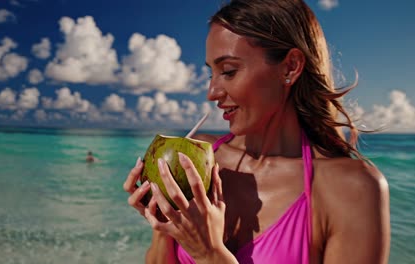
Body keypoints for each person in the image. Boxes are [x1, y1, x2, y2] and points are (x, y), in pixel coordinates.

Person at [124, 0, 390, 263]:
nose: (212, 93)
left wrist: (210, 255)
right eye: (211, 74)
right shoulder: (199, 161)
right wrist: (165, 223)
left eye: (228, 71)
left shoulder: (352, 189)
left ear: (290, 67)